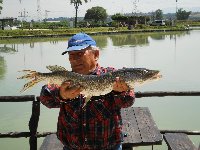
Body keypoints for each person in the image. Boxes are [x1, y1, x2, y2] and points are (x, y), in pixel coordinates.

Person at [40, 33, 135, 150]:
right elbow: (45, 98)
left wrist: (120, 92)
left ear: (96, 54)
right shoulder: (64, 79)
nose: (74, 59)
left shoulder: (112, 75)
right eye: (71, 55)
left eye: (80, 54)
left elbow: (128, 102)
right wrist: (61, 94)